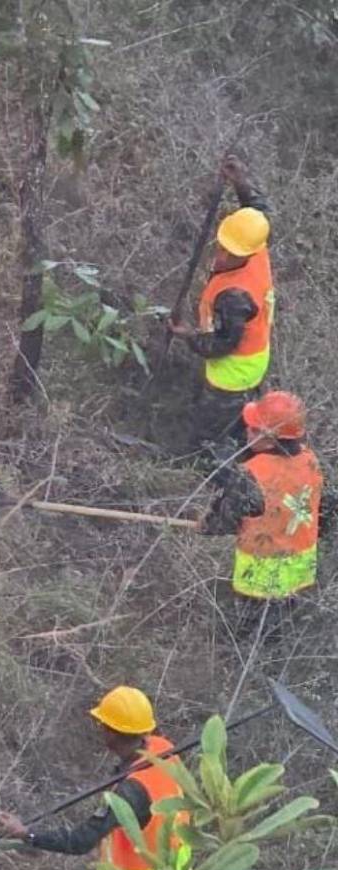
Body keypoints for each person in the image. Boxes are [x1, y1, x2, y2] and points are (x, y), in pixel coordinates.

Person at [0, 686, 191, 870]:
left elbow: (80, 841)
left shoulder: (130, 792)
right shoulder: (164, 749)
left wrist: (26, 833)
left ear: (111, 732)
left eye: (102, 725)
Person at [168, 156, 274, 455]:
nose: (222, 254)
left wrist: (188, 335)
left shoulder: (235, 297)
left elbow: (223, 344)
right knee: (241, 417)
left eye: (231, 252)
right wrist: (240, 182)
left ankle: (207, 465)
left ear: (245, 252)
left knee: (210, 434)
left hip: (232, 375)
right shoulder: (258, 243)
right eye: (222, 246)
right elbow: (259, 213)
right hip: (255, 357)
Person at [199, 391, 323, 606]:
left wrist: (205, 525)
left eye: (255, 429)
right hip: (301, 572)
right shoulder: (309, 460)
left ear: (270, 438)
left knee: (249, 634)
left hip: (260, 580)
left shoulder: (253, 474)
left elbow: (223, 523)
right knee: (284, 630)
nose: (248, 430)